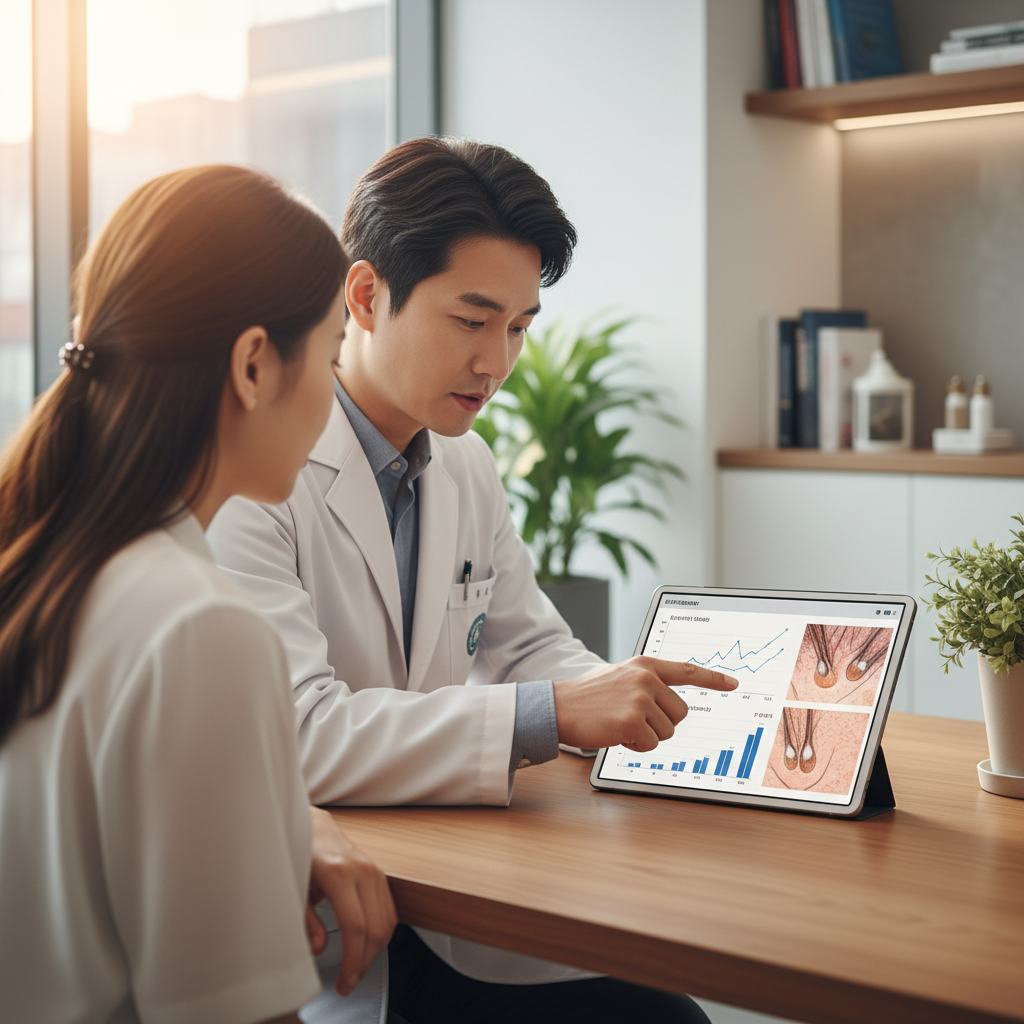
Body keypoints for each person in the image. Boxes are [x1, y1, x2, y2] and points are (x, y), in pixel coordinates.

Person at [208, 138, 735, 1023]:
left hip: (455, 892)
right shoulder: (258, 470)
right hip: (337, 929)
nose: (499, 362)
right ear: (366, 295)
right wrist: (555, 714)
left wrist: (652, 708)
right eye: (471, 319)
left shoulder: (464, 462)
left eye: (521, 327)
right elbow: (299, 732)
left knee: (664, 1010)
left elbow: (529, 641)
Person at [0, 165, 396, 1024]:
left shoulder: (39, 563)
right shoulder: (200, 628)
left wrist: (285, 820)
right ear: (254, 365)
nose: (334, 394)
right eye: (331, 356)